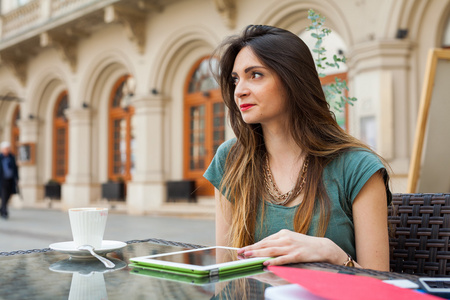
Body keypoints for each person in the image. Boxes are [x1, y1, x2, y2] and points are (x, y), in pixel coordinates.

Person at [204, 25, 391, 271]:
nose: (239, 91)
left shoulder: (357, 167)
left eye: (256, 75)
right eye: (235, 79)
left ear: (293, 79)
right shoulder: (231, 159)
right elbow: (224, 275)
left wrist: (334, 255)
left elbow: (380, 288)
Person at [0, 141, 19, 219]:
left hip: (10, 180)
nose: (7, 150)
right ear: (2, 149)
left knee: (8, 195)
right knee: (4, 195)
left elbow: (15, 168)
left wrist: (17, 178)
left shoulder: (12, 157)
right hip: (2, 180)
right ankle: (4, 212)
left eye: (8, 149)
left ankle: (2, 209)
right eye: (5, 149)